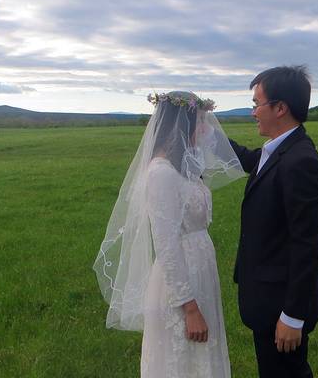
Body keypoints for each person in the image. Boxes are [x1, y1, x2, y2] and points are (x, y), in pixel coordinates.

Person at [93, 91, 245, 378]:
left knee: (202, 356)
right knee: (181, 359)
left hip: (200, 270)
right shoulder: (161, 173)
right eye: (200, 121)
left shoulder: (185, 167)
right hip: (180, 280)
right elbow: (166, 244)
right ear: (181, 125)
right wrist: (189, 308)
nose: (206, 128)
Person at [229, 65, 318, 378]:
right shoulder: (281, 150)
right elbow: (251, 160)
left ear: (280, 108)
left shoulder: (301, 162)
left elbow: (306, 244)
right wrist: (209, 133)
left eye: (257, 103)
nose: (253, 113)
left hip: (280, 306)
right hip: (267, 299)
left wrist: (293, 316)